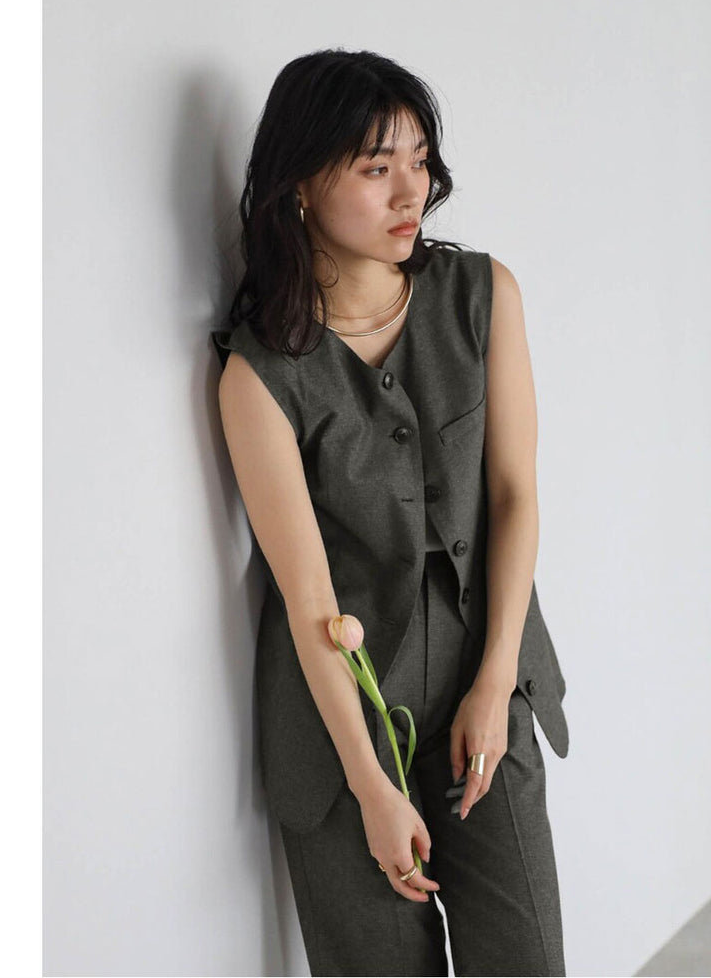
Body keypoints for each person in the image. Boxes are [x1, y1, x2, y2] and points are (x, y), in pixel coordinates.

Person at [212, 49, 571, 977]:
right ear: (300, 186)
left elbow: (514, 493)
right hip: (341, 741)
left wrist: (495, 685)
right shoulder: (260, 376)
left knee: (527, 961)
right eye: (377, 168)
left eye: (419, 160)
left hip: (485, 686)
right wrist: (371, 785)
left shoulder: (482, 296)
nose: (412, 190)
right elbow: (308, 601)